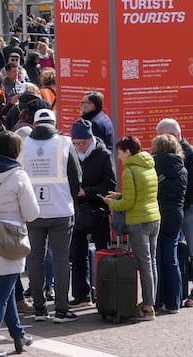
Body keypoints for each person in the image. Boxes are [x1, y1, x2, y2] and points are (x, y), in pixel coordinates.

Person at [0, 131, 39, 357]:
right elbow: (32, 213)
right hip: (8, 237)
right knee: (0, 294)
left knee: (4, 288)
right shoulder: (18, 176)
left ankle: (18, 335)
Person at [21, 109, 81, 323]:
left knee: (35, 258)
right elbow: (76, 177)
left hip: (33, 210)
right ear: (54, 124)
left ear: (35, 124)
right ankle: (62, 310)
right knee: (61, 258)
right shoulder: (64, 143)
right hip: (61, 209)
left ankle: (39, 310)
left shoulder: (24, 144)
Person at [104, 136, 161, 320]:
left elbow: (129, 203)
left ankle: (148, 307)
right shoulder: (148, 165)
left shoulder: (129, 171)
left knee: (144, 265)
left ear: (127, 152)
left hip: (139, 222)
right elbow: (141, 193)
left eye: (120, 153)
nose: (119, 157)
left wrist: (111, 204)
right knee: (151, 262)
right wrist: (119, 195)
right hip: (154, 217)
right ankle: (150, 302)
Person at [156, 118, 193, 307]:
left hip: (190, 206)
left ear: (175, 135)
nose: (159, 141)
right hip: (175, 208)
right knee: (174, 250)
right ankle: (177, 290)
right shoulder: (164, 154)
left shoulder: (191, 153)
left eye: (162, 137)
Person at [69, 119, 115, 306]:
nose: (79, 146)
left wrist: (86, 191)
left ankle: (104, 292)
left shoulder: (103, 155)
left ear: (91, 139)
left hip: (98, 209)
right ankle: (82, 294)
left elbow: (110, 185)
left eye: (83, 143)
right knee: (78, 254)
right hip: (78, 210)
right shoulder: (70, 153)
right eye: (76, 143)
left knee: (102, 252)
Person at [151, 134, 188, 315]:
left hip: (156, 214)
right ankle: (174, 303)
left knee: (155, 259)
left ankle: (155, 302)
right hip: (175, 215)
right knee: (171, 258)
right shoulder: (182, 169)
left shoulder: (152, 166)